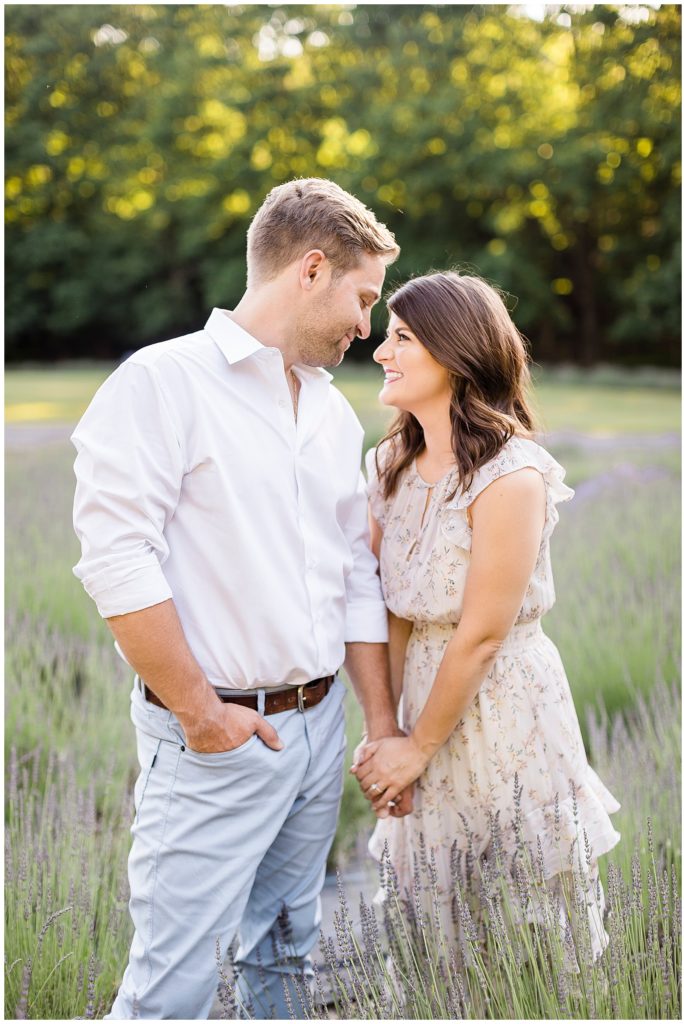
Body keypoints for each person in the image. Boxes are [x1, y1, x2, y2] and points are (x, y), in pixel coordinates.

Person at [71, 177, 411, 1020]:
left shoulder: (331, 416)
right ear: (311, 268)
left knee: (288, 960)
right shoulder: (162, 382)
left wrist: (375, 726)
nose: (367, 327)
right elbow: (117, 560)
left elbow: (354, 579)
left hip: (317, 727)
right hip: (215, 739)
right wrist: (201, 716)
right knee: (172, 984)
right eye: (363, 299)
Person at [352, 270, 621, 962]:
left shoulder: (511, 474)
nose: (382, 351)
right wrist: (386, 735)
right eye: (386, 335)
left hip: (502, 706)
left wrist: (417, 749)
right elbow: (388, 613)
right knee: (431, 916)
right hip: (420, 698)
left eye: (403, 337)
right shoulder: (391, 465)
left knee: (518, 916)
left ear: (455, 351)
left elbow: (481, 635)